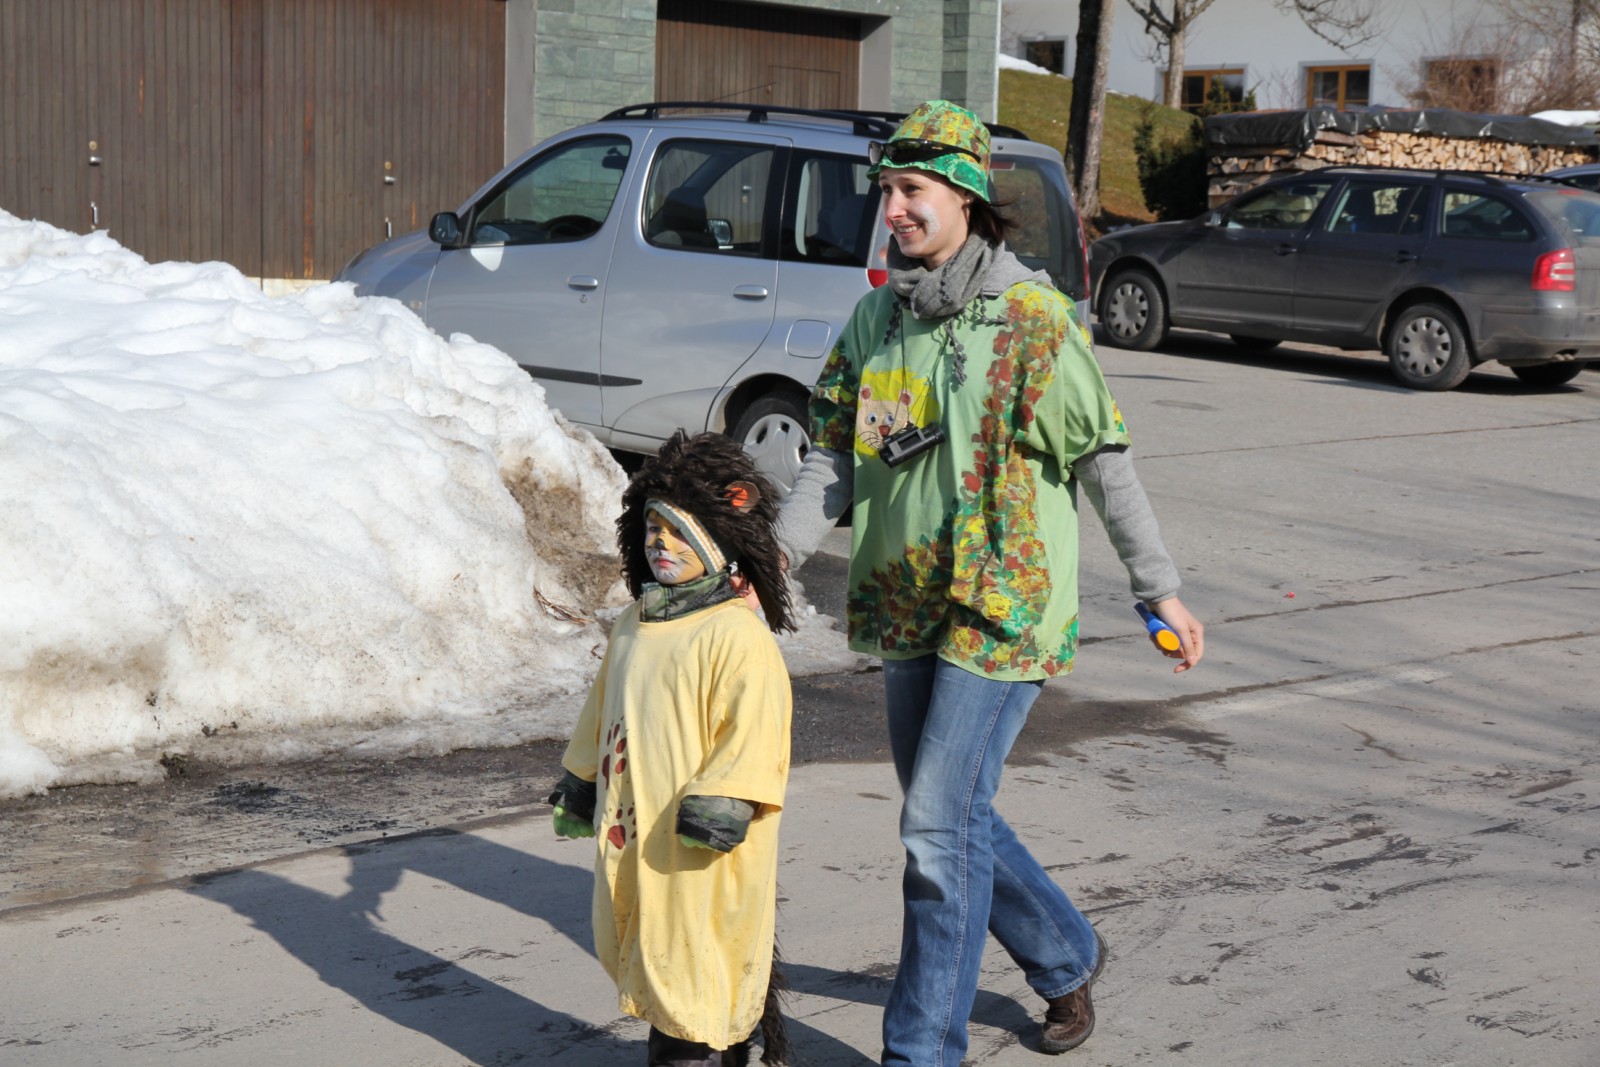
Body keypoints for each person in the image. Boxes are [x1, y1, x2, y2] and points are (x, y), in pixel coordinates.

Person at [774, 100, 1205, 1065]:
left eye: (911, 190)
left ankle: (921, 1049)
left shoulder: (1031, 320)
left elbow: (1103, 458)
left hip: (1004, 607)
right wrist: (773, 559)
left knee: (935, 823)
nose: (892, 208)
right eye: (886, 190)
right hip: (906, 599)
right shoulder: (879, 318)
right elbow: (833, 455)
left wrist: (1158, 587)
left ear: (965, 195)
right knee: (950, 813)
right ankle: (1064, 952)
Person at [549, 431, 796, 1067]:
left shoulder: (735, 636)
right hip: (636, 827)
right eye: (654, 529)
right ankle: (711, 1046)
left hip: (699, 841)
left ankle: (695, 1053)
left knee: (696, 955)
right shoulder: (633, 624)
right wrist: (581, 780)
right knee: (642, 939)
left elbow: (756, 730)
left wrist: (724, 801)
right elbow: (600, 710)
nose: (661, 543)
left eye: (680, 532)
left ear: (718, 542)